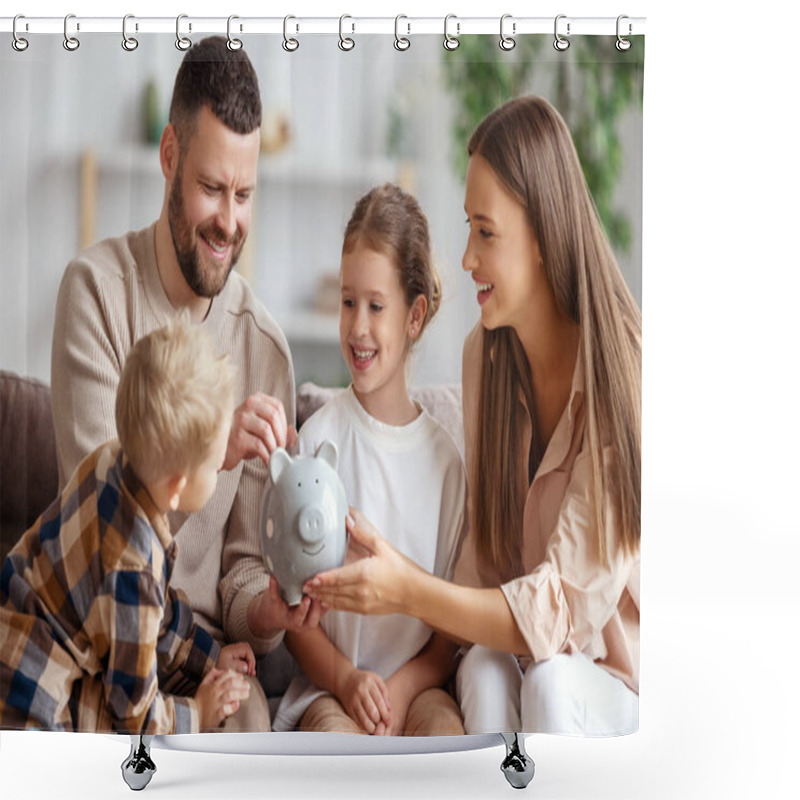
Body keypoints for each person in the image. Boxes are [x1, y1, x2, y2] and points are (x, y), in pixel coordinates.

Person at [305, 96, 641, 736]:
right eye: (468, 229)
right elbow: (483, 572)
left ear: (542, 236)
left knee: (548, 678)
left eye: (484, 232)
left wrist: (403, 588)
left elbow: (555, 613)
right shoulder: (485, 360)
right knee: (485, 668)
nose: (465, 258)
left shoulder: (626, 371)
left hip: (608, 684)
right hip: (519, 659)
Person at [49, 36, 321, 732]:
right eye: (210, 188)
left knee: (250, 722)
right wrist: (208, 447)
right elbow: (99, 522)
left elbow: (240, 574)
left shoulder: (265, 350)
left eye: (244, 194)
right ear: (169, 156)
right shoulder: (95, 295)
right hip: (99, 633)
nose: (228, 222)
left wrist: (270, 610)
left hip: (197, 649)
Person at [272, 184, 466, 736]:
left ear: (414, 316)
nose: (357, 327)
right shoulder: (317, 442)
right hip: (328, 690)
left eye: (376, 306)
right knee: (337, 750)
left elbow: (448, 632)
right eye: (348, 301)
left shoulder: (446, 465)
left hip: (419, 689)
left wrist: (400, 692)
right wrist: (348, 680)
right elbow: (294, 616)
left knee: (446, 740)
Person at [1, 317, 254, 733]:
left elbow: (155, 612)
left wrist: (208, 656)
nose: (222, 467)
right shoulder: (133, 569)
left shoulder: (111, 459)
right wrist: (199, 712)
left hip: (16, 626)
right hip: (32, 708)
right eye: (214, 463)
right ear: (177, 489)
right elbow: (135, 713)